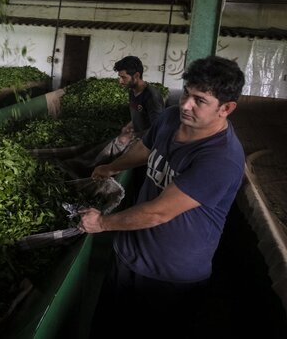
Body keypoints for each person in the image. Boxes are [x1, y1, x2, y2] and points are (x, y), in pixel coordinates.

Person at [78, 56, 245, 338]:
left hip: (168, 275)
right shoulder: (170, 118)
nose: (186, 105)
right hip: (129, 254)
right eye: (186, 93)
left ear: (226, 108)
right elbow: (145, 148)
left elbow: (159, 212)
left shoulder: (221, 159)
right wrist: (112, 167)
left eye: (199, 100)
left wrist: (102, 223)